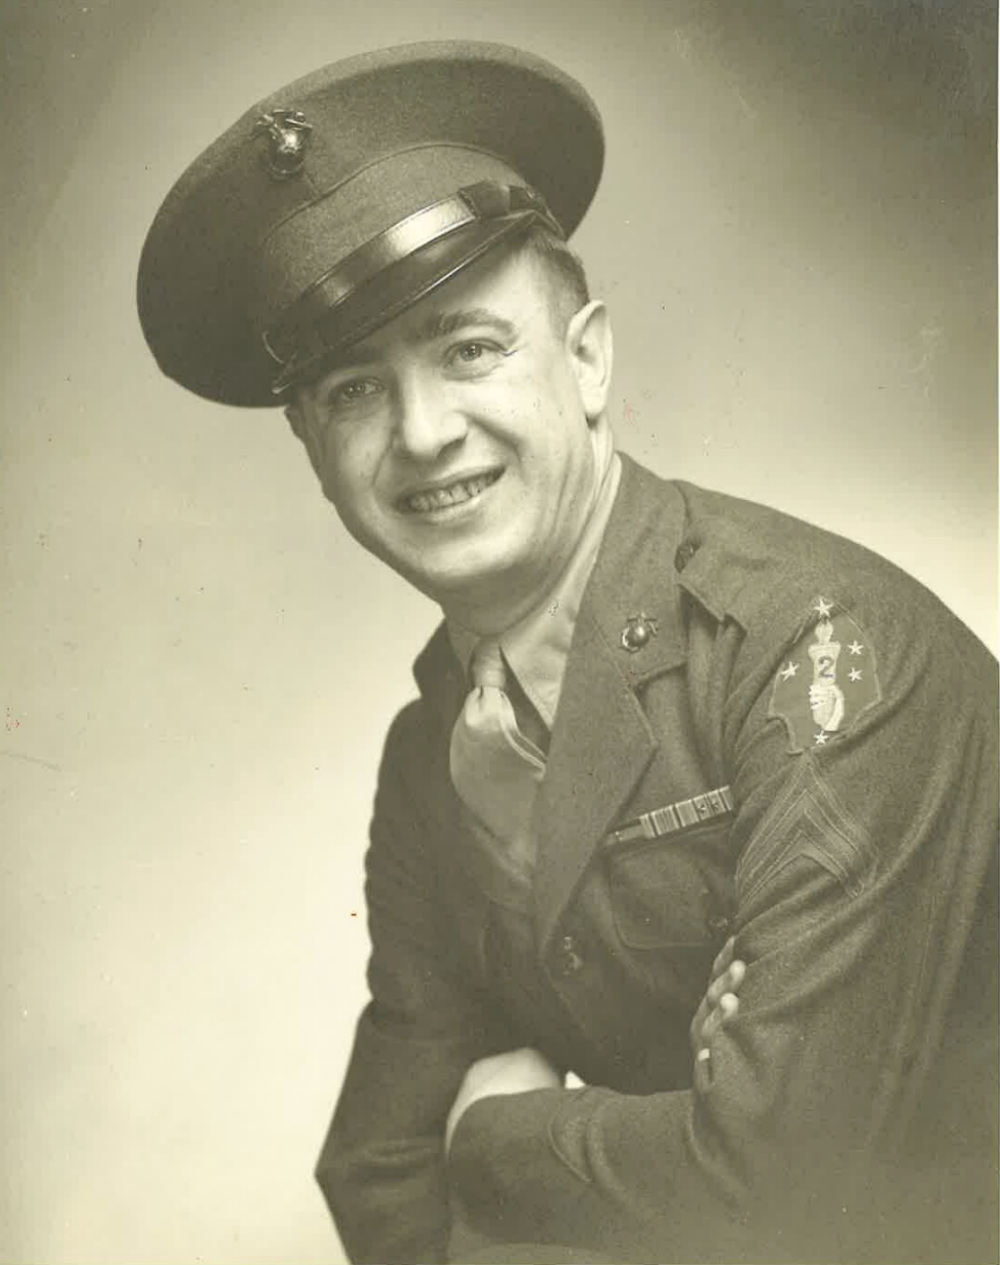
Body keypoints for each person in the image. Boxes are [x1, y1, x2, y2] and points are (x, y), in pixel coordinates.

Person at [137, 41, 998, 1265]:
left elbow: (781, 1180)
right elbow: (376, 1166)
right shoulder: (432, 746)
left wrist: (492, 1135)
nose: (422, 434)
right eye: (353, 391)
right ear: (312, 450)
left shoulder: (817, 652)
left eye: (468, 349)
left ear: (588, 359)